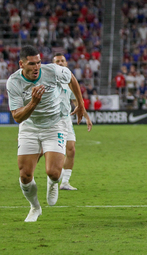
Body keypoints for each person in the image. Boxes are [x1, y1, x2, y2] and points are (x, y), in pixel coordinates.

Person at [6, 45, 85, 222]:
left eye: (39, 63)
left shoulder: (53, 71)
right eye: (32, 64)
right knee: (25, 175)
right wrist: (33, 103)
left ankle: (53, 183)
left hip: (54, 125)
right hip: (29, 127)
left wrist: (80, 103)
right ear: (21, 64)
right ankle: (35, 207)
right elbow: (17, 117)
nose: (36, 67)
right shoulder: (13, 82)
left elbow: (71, 77)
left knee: (53, 172)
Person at [52, 53, 93, 190]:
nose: (60, 63)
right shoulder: (48, 81)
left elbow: (77, 102)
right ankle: (30, 172)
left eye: (62, 61)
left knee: (71, 150)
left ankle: (64, 182)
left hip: (66, 120)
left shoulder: (69, 82)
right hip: (51, 121)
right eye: (57, 61)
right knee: (44, 152)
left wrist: (86, 117)